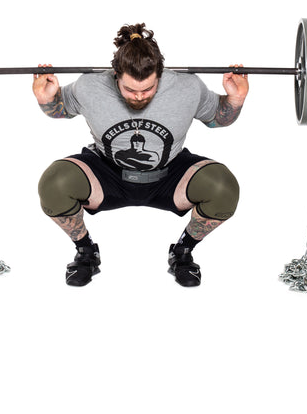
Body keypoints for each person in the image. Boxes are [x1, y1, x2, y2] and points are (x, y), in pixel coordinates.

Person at [32, 23, 248, 287]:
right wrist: (46, 99)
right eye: (130, 90)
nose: (139, 96)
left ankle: (182, 252)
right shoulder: (90, 86)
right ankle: (86, 252)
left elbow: (217, 118)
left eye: (147, 89)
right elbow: (60, 111)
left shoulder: (187, 87)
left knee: (223, 187)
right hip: (106, 175)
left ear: (160, 73)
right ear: (115, 75)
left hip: (169, 177)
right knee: (54, 183)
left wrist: (235, 100)